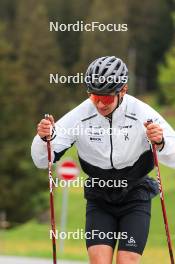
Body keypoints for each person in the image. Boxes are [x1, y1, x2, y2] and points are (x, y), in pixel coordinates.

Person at [31, 56, 175, 264]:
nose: (99, 104)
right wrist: (44, 138)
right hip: (100, 195)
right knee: (99, 261)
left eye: (106, 98)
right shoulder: (81, 115)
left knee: (127, 260)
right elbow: (42, 159)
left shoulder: (142, 113)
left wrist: (160, 142)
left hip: (135, 193)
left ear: (123, 90)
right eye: (94, 96)